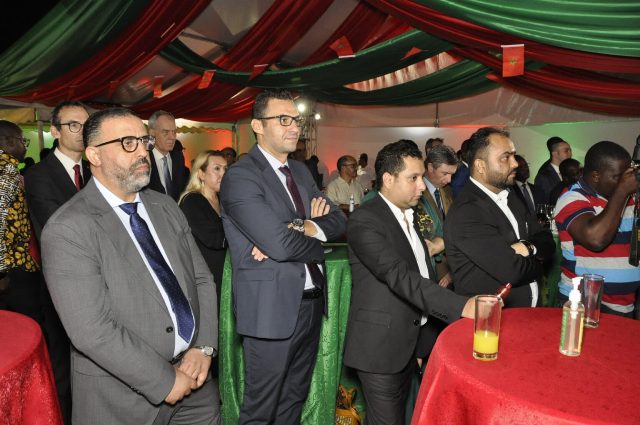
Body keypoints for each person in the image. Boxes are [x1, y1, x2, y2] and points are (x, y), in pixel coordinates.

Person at [40, 107, 220, 425]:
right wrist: (164, 381)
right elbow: (92, 330)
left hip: (196, 380)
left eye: (144, 141)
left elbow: (202, 278)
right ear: (94, 155)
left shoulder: (165, 206)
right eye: (127, 143)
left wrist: (203, 346)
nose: (141, 152)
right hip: (123, 397)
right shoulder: (68, 227)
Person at [220, 89, 346, 425]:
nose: (294, 127)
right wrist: (314, 240)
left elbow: (338, 221)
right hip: (270, 308)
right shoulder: (241, 176)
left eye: (296, 120)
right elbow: (280, 244)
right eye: (283, 120)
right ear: (257, 126)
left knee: (293, 401)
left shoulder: (301, 171)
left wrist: (301, 226)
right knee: (260, 411)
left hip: (311, 302)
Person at [343, 140, 474, 425]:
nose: (422, 186)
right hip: (379, 349)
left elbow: (422, 273)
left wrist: (420, 345)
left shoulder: (408, 214)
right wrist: (462, 306)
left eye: (421, 177)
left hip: (407, 342)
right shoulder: (365, 220)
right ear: (388, 179)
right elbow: (399, 277)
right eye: (413, 178)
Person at [24, 100, 91, 424]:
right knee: (64, 364)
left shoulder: (96, 169)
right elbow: (56, 227)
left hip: (100, 278)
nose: (82, 132)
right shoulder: (38, 175)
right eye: (73, 125)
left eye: (86, 125)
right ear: (54, 131)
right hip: (63, 283)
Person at [445, 127, 555, 307]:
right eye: (505, 157)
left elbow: (546, 238)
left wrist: (527, 247)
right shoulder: (467, 212)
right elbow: (513, 271)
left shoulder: (510, 196)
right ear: (481, 166)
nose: (515, 163)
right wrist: (539, 262)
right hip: (493, 318)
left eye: (514, 156)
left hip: (525, 314)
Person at [554, 141, 640, 317]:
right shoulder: (572, 198)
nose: (626, 181)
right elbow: (595, 239)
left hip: (626, 305)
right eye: (618, 177)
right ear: (596, 176)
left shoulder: (630, 198)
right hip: (584, 304)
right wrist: (621, 192)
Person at [0, 120, 39, 316]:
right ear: (9, 142)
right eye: (23, 141)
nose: (25, 146)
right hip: (14, 267)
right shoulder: (6, 172)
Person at [179, 150, 227, 306]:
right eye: (217, 168)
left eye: (225, 169)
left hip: (226, 273)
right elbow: (214, 239)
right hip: (206, 278)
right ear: (201, 173)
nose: (223, 174)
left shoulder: (224, 200)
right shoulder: (192, 201)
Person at [421, 144, 458, 286]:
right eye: (445, 173)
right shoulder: (414, 193)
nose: (449, 180)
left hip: (450, 265)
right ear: (430, 167)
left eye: (452, 174)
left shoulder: (447, 190)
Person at [146, 110, 189, 201]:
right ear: (152, 133)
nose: (172, 137)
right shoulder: (144, 159)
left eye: (174, 132)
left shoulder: (178, 157)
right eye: (165, 132)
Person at [534, 136, 572, 203]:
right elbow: (543, 202)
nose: (570, 154)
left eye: (570, 150)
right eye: (566, 151)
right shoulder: (543, 176)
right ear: (555, 154)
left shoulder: (569, 172)